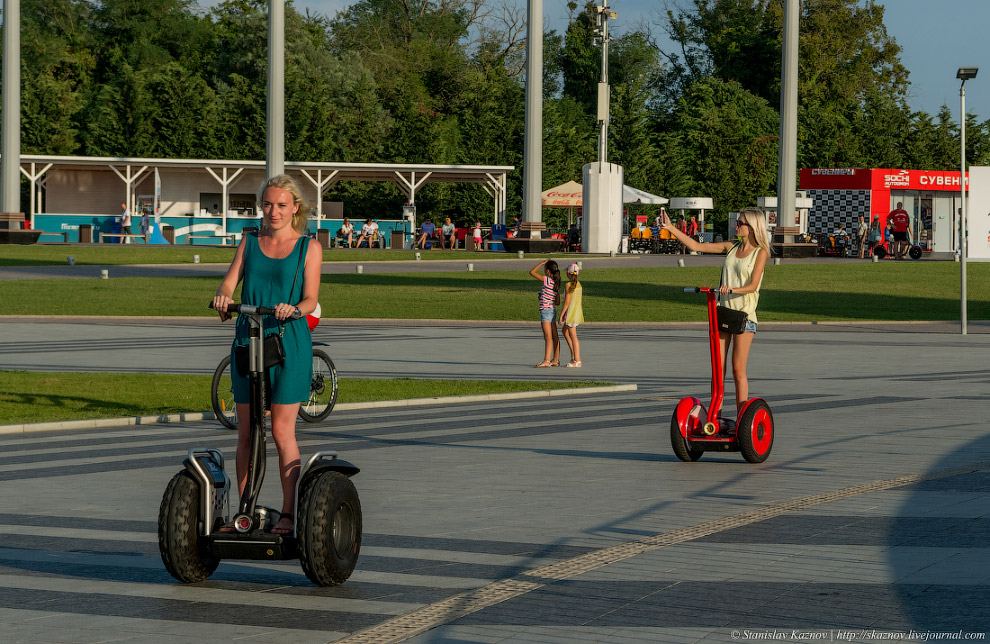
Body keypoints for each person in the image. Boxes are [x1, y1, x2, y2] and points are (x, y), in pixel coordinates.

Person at [212, 175, 322, 536]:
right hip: (248, 337)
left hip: (288, 340)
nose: (272, 211)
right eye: (267, 204)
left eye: (280, 205)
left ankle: (289, 514)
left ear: (295, 208)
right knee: (246, 431)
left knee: (279, 430)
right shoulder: (249, 241)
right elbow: (230, 282)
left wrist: (295, 309)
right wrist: (223, 297)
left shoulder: (309, 247)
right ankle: (245, 513)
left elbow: (310, 298)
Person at [660, 207, 770, 415]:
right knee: (718, 371)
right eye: (737, 221)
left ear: (753, 227)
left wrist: (732, 289)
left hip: (744, 317)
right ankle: (715, 415)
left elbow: (753, 285)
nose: (736, 225)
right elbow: (696, 245)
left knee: (738, 370)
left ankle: (742, 419)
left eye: (741, 222)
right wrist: (671, 227)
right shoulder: (730, 247)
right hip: (723, 312)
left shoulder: (760, 252)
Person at [529, 259, 561, 368]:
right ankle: (555, 359)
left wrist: (541, 263)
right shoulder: (557, 283)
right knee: (555, 336)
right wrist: (544, 297)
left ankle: (546, 360)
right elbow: (557, 302)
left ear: (547, 271)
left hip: (546, 311)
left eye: (544, 268)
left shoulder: (547, 280)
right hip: (552, 310)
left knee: (548, 337)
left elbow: (532, 272)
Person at [558, 263, 584, 367]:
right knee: (565, 331)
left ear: (568, 273)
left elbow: (567, 303)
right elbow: (580, 301)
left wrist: (561, 316)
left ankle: (577, 360)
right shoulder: (579, 284)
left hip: (571, 313)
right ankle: (573, 355)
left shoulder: (568, 285)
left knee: (574, 336)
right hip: (577, 312)